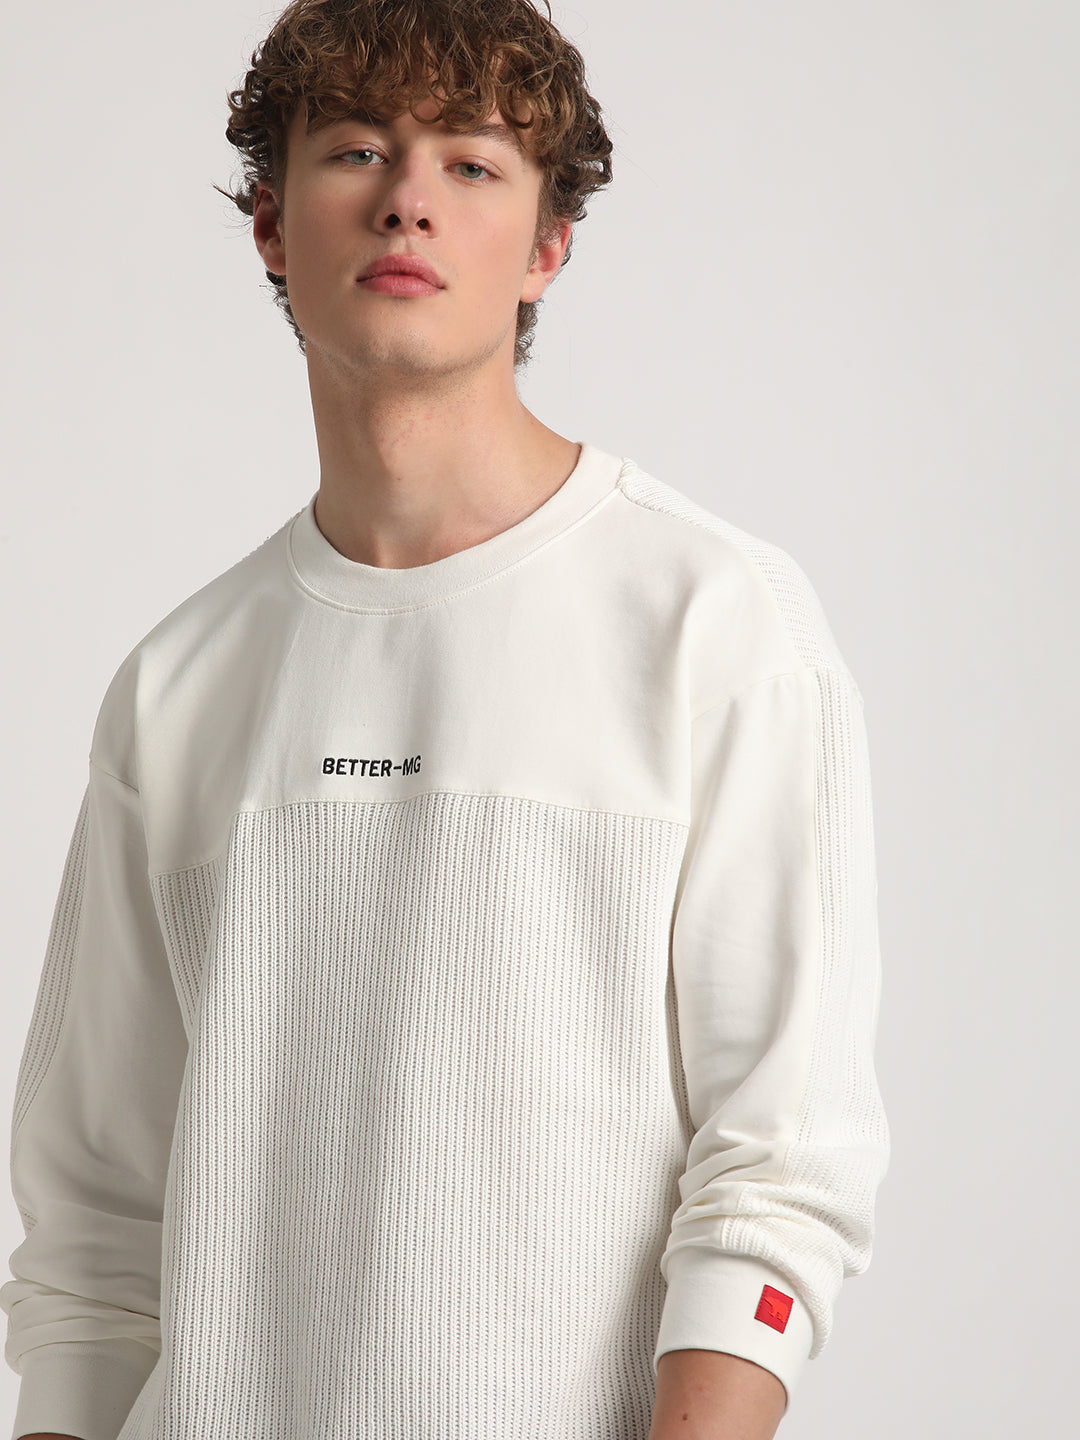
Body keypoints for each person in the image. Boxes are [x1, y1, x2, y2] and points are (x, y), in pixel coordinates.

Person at [0, 1, 890, 1437]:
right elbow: (97, 1235)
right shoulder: (178, 684)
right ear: (271, 224)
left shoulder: (713, 622)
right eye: (357, 149)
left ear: (548, 246)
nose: (408, 198)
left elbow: (780, 1174)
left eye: (472, 163)